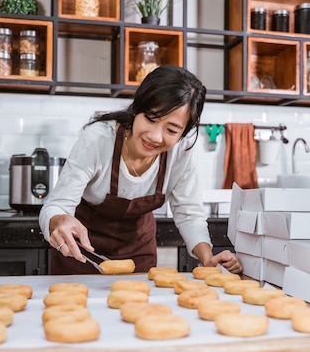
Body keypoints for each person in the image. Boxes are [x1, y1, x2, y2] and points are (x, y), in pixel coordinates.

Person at [39, 65, 242, 275]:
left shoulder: (180, 153)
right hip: (81, 252)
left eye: (171, 130)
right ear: (137, 108)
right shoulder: (99, 140)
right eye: (151, 119)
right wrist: (61, 220)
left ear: (184, 132)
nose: (155, 136)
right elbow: (57, 205)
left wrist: (208, 258)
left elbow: (189, 214)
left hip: (137, 254)